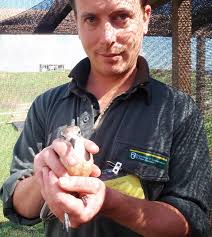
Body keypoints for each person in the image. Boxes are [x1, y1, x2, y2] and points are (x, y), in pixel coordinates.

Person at [0, 0, 210, 236]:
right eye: (91, 19)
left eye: (121, 16)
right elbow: (17, 204)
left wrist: (111, 203)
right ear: (77, 24)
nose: (107, 37)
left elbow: (192, 223)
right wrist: (45, 175)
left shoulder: (178, 111)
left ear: (146, 18)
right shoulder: (46, 104)